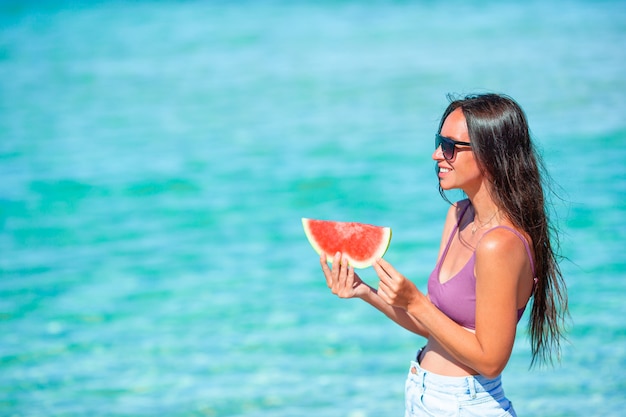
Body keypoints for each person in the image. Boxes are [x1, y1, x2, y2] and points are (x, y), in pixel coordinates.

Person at [318, 93, 568, 416]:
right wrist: (364, 291)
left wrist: (416, 301)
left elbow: (491, 360)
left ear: (489, 155)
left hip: (466, 405)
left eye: (450, 146)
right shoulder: (458, 217)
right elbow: (433, 327)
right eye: (439, 142)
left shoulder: (500, 244)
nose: (437, 154)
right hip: (424, 398)